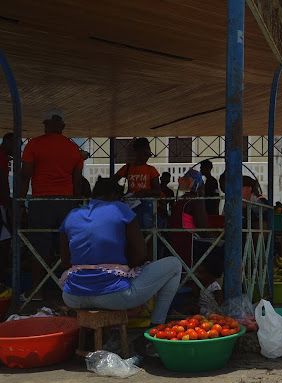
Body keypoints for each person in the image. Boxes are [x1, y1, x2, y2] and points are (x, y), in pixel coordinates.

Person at [59, 177, 181, 327]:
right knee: (175, 265)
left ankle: (107, 333)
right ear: (116, 196)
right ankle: (156, 326)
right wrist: (124, 268)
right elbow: (140, 254)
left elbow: (65, 261)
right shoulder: (119, 208)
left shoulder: (72, 215)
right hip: (113, 295)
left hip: (73, 296)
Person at [20, 109, 84, 301]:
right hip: (66, 202)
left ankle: (37, 290)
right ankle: (70, 289)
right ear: (62, 127)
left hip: (41, 201)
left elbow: (25, 176)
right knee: (67, 246)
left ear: (46, 124)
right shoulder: (74, 149)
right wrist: (76, 205)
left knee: (40, 247)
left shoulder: (34, 144)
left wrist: (21, 203)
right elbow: (78, 182)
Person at [113, 137, 161, 230]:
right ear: (137, 152)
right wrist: (121, 193)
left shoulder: (151, 170)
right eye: (145, 153)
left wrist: (143, 193)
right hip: (131, 202)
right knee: (131, 229)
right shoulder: (127, 167)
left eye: (149, 154)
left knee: (149, 230)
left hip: (146, 203)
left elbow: (157, 190)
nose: (147, 156)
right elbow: (113, 181)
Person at [0, 133, 14, 283]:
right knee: (4, 243)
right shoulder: (2, 157)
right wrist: (9, 207)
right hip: (0, 205)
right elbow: (2, 183)